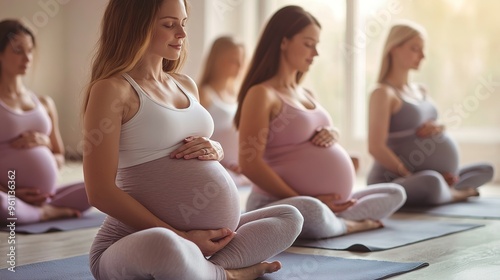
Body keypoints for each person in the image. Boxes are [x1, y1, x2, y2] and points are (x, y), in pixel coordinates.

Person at [82, 1, 303, 279]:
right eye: (169, 24)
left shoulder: (185, 84)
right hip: (135, 243)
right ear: (135, 26)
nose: (182, 34)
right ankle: (229, 274)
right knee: (166, 246)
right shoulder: (112, 90)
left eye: (183, 23)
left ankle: (203, 269)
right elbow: (99, 191)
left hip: (206, 242)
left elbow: (197, 143)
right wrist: (181, 236)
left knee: (290, 217)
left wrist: (217, 149)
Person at [234, 5, 406, 239]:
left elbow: (311, 136)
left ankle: (332, 220)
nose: (315, 53)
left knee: (396, 192)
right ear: (283, 42)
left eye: (316, 45)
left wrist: (333, 134)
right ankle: (346, 225)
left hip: (328, 203)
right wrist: (306, 198)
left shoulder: (308, 94)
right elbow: (249, 163)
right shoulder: (262, 94)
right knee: (311, 211)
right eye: (308, 44)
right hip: (280, 203)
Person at [367, 21, 494, 206]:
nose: (423, 55)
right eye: (415, 48)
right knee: (431, 182)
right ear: (394, 49)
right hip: (395, 179)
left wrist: (439, 128)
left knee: (486, 170)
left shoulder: (422, 90)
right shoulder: (383, 93)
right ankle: (452, 194)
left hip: (432, 174)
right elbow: (375, 147)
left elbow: (431, 126)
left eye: (423, 49)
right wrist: (411, 175)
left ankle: (445, 189)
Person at [0, 19, 90, 225]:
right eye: (18, 51)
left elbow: (59, 156)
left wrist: (45, 143)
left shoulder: (44, 103)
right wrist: (11, 192)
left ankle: (41, 208)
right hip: (8, 195)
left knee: (99, 188)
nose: (28, 58)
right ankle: (46, 213)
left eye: (30, 50)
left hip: (48, 193)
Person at [198, 36, 251, 187]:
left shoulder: (239, 96)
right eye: (234, 60)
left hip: (241, 173)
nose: (240, 66)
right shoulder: (203, 94)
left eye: (242, 60)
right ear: (217, 60)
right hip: (219, 170)